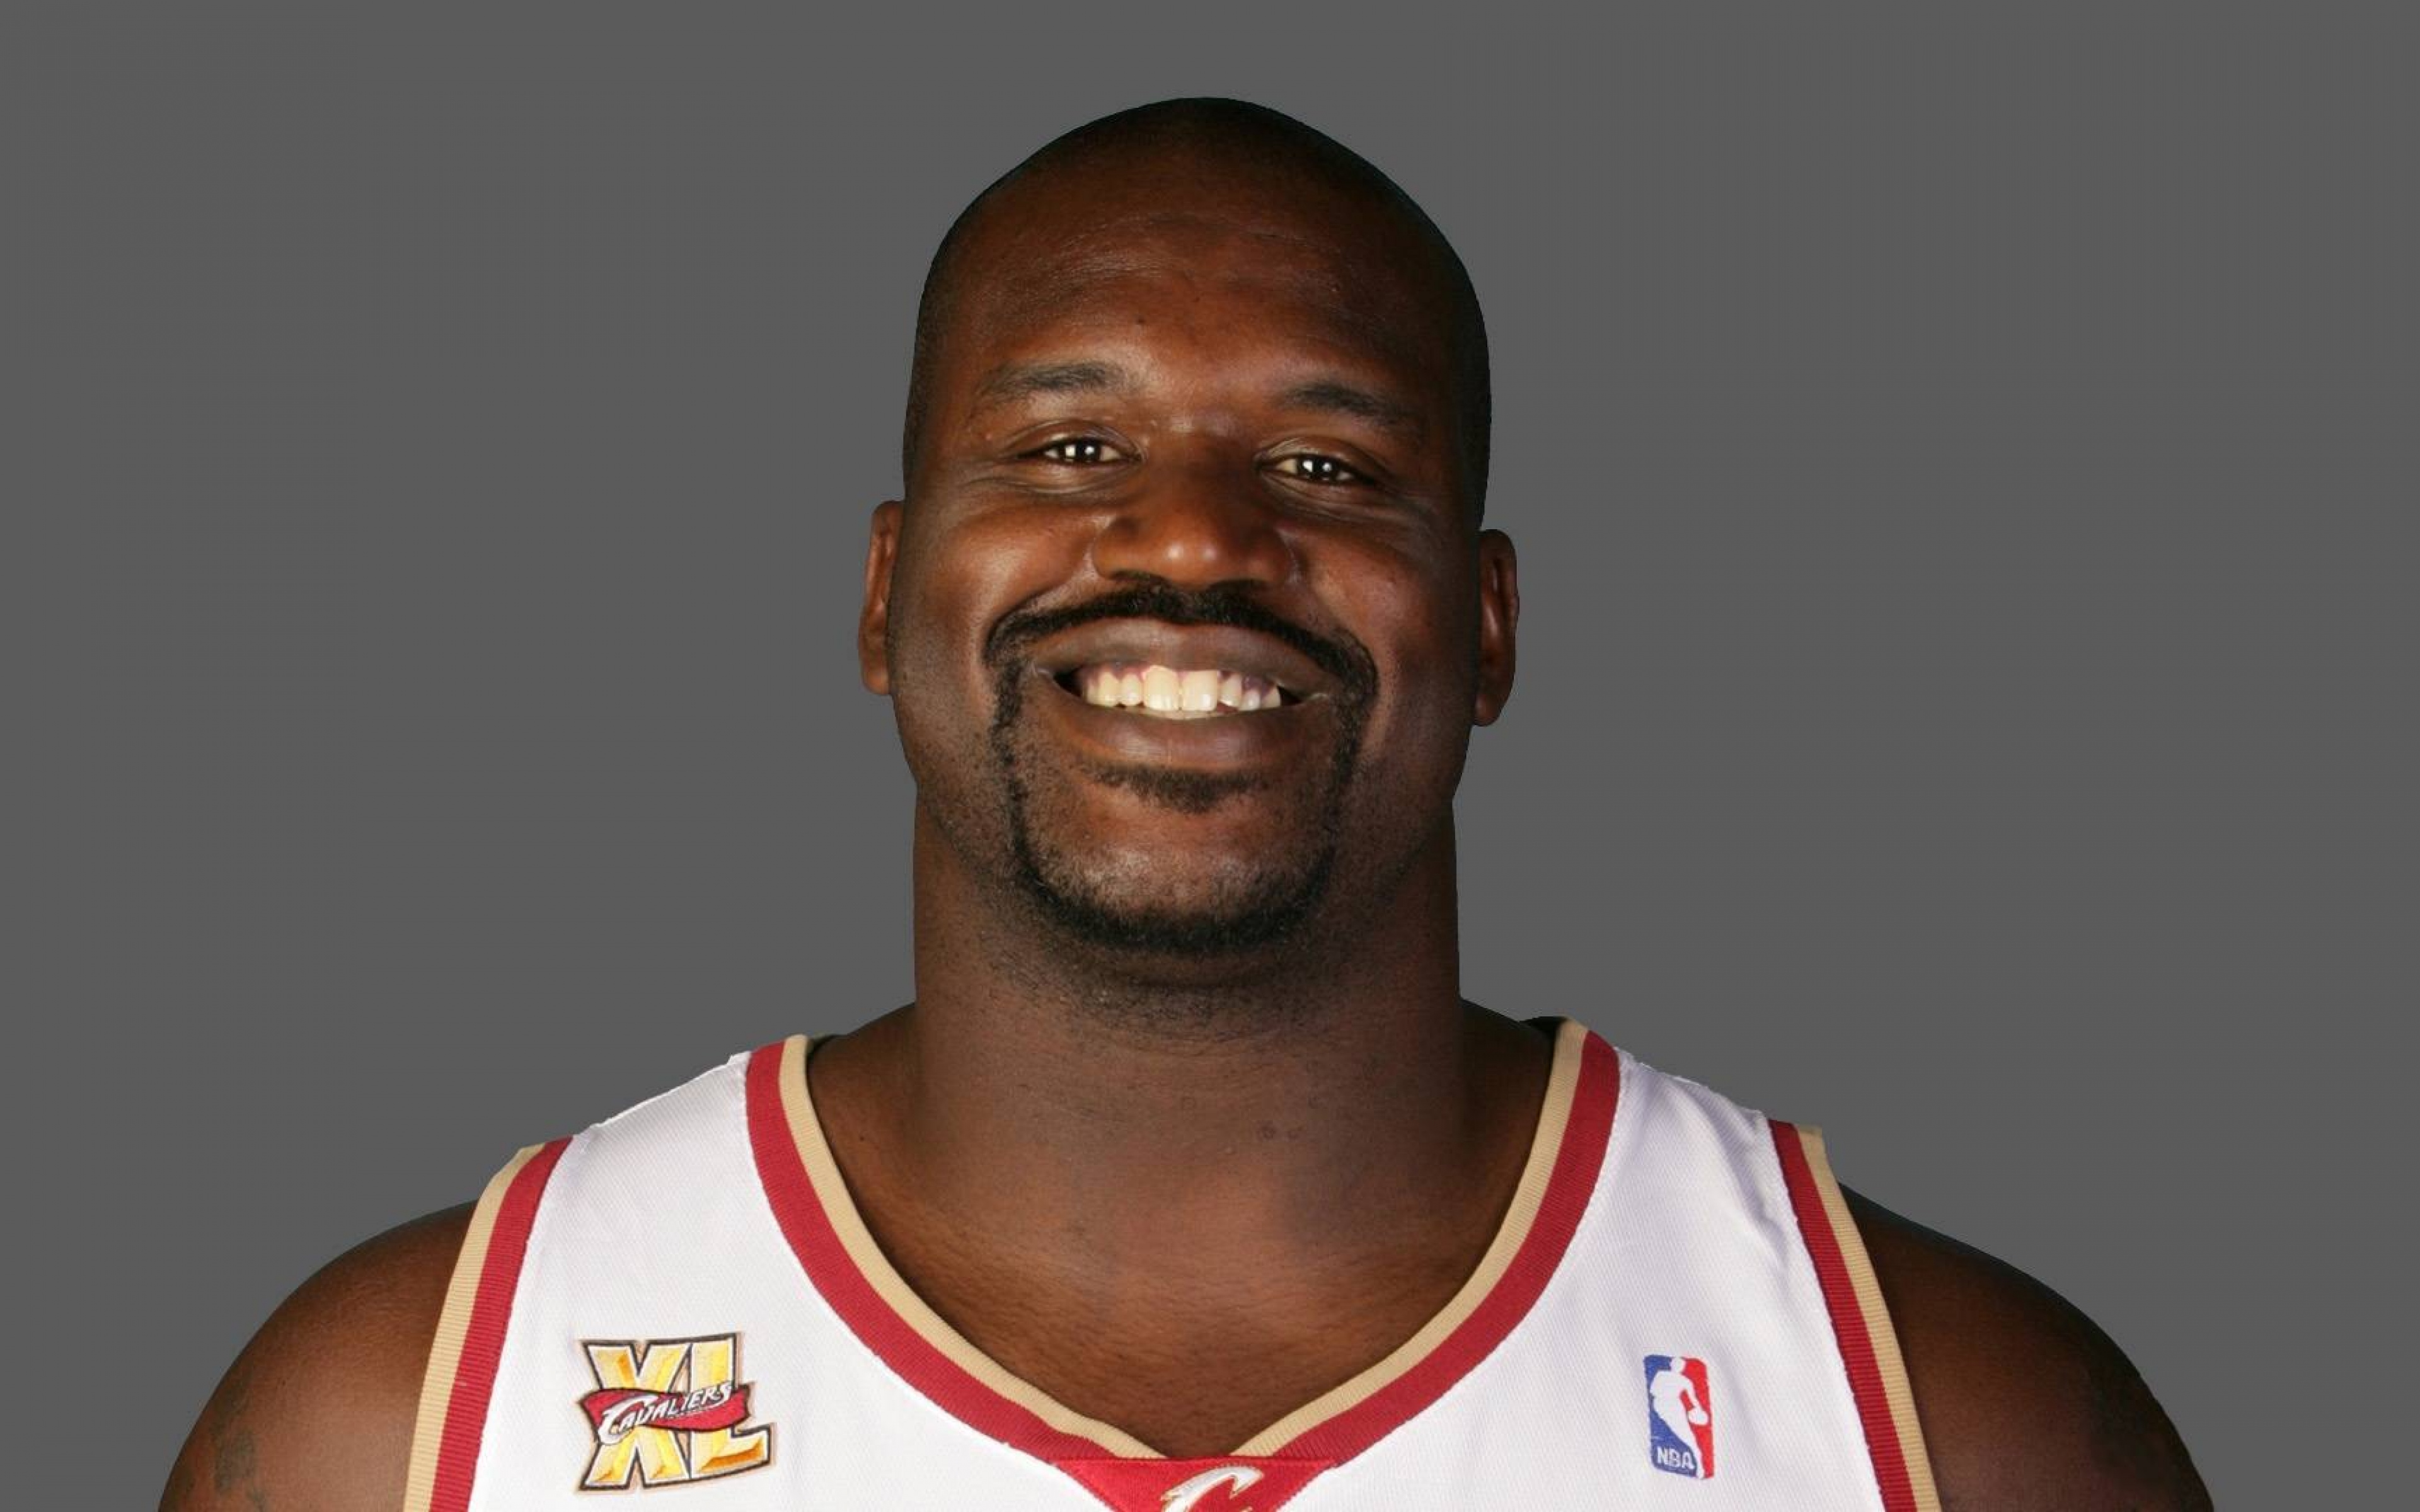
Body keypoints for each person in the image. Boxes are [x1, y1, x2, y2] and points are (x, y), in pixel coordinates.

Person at [163, 97, 2210, 1511]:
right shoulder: (409, 1427)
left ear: (1489, 623)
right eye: (1070, 448)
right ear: (885, 593)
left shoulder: (1947, 1430)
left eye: (1328, 469)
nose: (1194, 542)